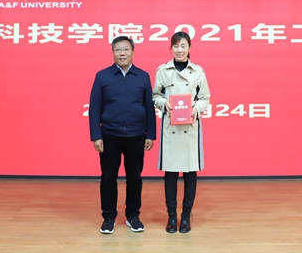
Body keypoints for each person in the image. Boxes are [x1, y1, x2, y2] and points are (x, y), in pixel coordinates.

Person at [89, 36, 156, 234]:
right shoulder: (102, 76)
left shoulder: (143, 76)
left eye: (126, 49)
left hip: (136, 134)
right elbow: (95, 108)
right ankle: (109, 217)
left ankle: (133, 216)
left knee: (134, 177)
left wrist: (150, 134)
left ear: (133, 52)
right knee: (108, 177)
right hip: (109, 134)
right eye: (118, 50)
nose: (122, 53)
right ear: (113, 53)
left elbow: (149, 108)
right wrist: (96, 135)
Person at [152, 31, 211, 233]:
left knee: (190, 172)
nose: (180, 50)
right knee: (170, 173)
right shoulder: (163, 70)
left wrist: (196, 108)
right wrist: (164, 104)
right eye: (176, 46)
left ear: (189, 48)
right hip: (171, 128)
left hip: (190, 129)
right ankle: (171, 215)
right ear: (171, 48)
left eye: (183, 46)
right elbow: (155, 95)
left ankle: (186, 215)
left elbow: (205, 98)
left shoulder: (198, 72)